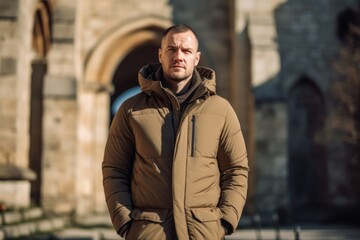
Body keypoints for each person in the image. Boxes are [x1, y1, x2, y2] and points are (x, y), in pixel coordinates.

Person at [102, 24, 249, 240]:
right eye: (172, 49)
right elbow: (114, 169)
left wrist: (225, 221)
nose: (178, 56)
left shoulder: (221, 109)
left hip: (203, 233)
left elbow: (236, 169)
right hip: (149, 233)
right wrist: (125, 223)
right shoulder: (131, 110)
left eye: (186, 51)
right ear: (160, 55)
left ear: (196, 58)